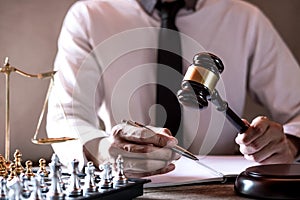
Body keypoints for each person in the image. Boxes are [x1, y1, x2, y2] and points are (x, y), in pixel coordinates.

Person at [47, 0, 300, 177]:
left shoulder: (246, 19)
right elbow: (65, 118)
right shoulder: (88, 16)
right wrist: (101, 151)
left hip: (224, 189)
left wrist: (289, 143)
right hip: (132, 184)